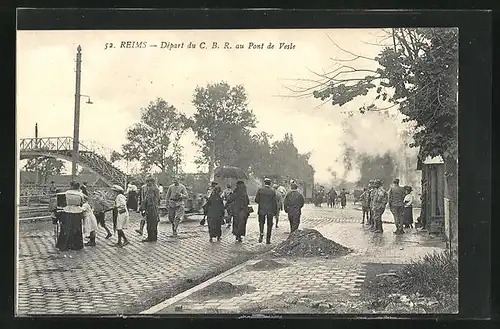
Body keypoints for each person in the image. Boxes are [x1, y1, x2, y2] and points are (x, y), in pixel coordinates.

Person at [55, 181, 85, 251]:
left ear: (71, 186)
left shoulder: (67, 193)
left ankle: (65, 244)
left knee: (66, 229)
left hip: (68, 211)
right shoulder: (80, 194)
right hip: (77, 211)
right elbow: (81, 203)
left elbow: (62, 203)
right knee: (76, 229)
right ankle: (76, 245)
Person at [255, 177, 278, 244]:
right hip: (270, 211)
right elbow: (274, 203)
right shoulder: (272, 192)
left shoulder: (260, 190)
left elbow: (256, 200)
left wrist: (261, 202)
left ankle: (261, 232)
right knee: (269, 224)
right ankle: (268, 239)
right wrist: (275, 212)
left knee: (261, 222)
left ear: (264, 183)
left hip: (262, 209)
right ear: (270, 184)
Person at [140, 177, 160, 242]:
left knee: (152, 223)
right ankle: (151, 237)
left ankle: (152, 237)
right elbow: (145, 199)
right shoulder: (147, 188)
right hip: (149, 207)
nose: (149, 183)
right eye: (148, 181)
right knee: (150, 223)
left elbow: (155, 199)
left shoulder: (154, 189)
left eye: (150, 181)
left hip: (153, 208)